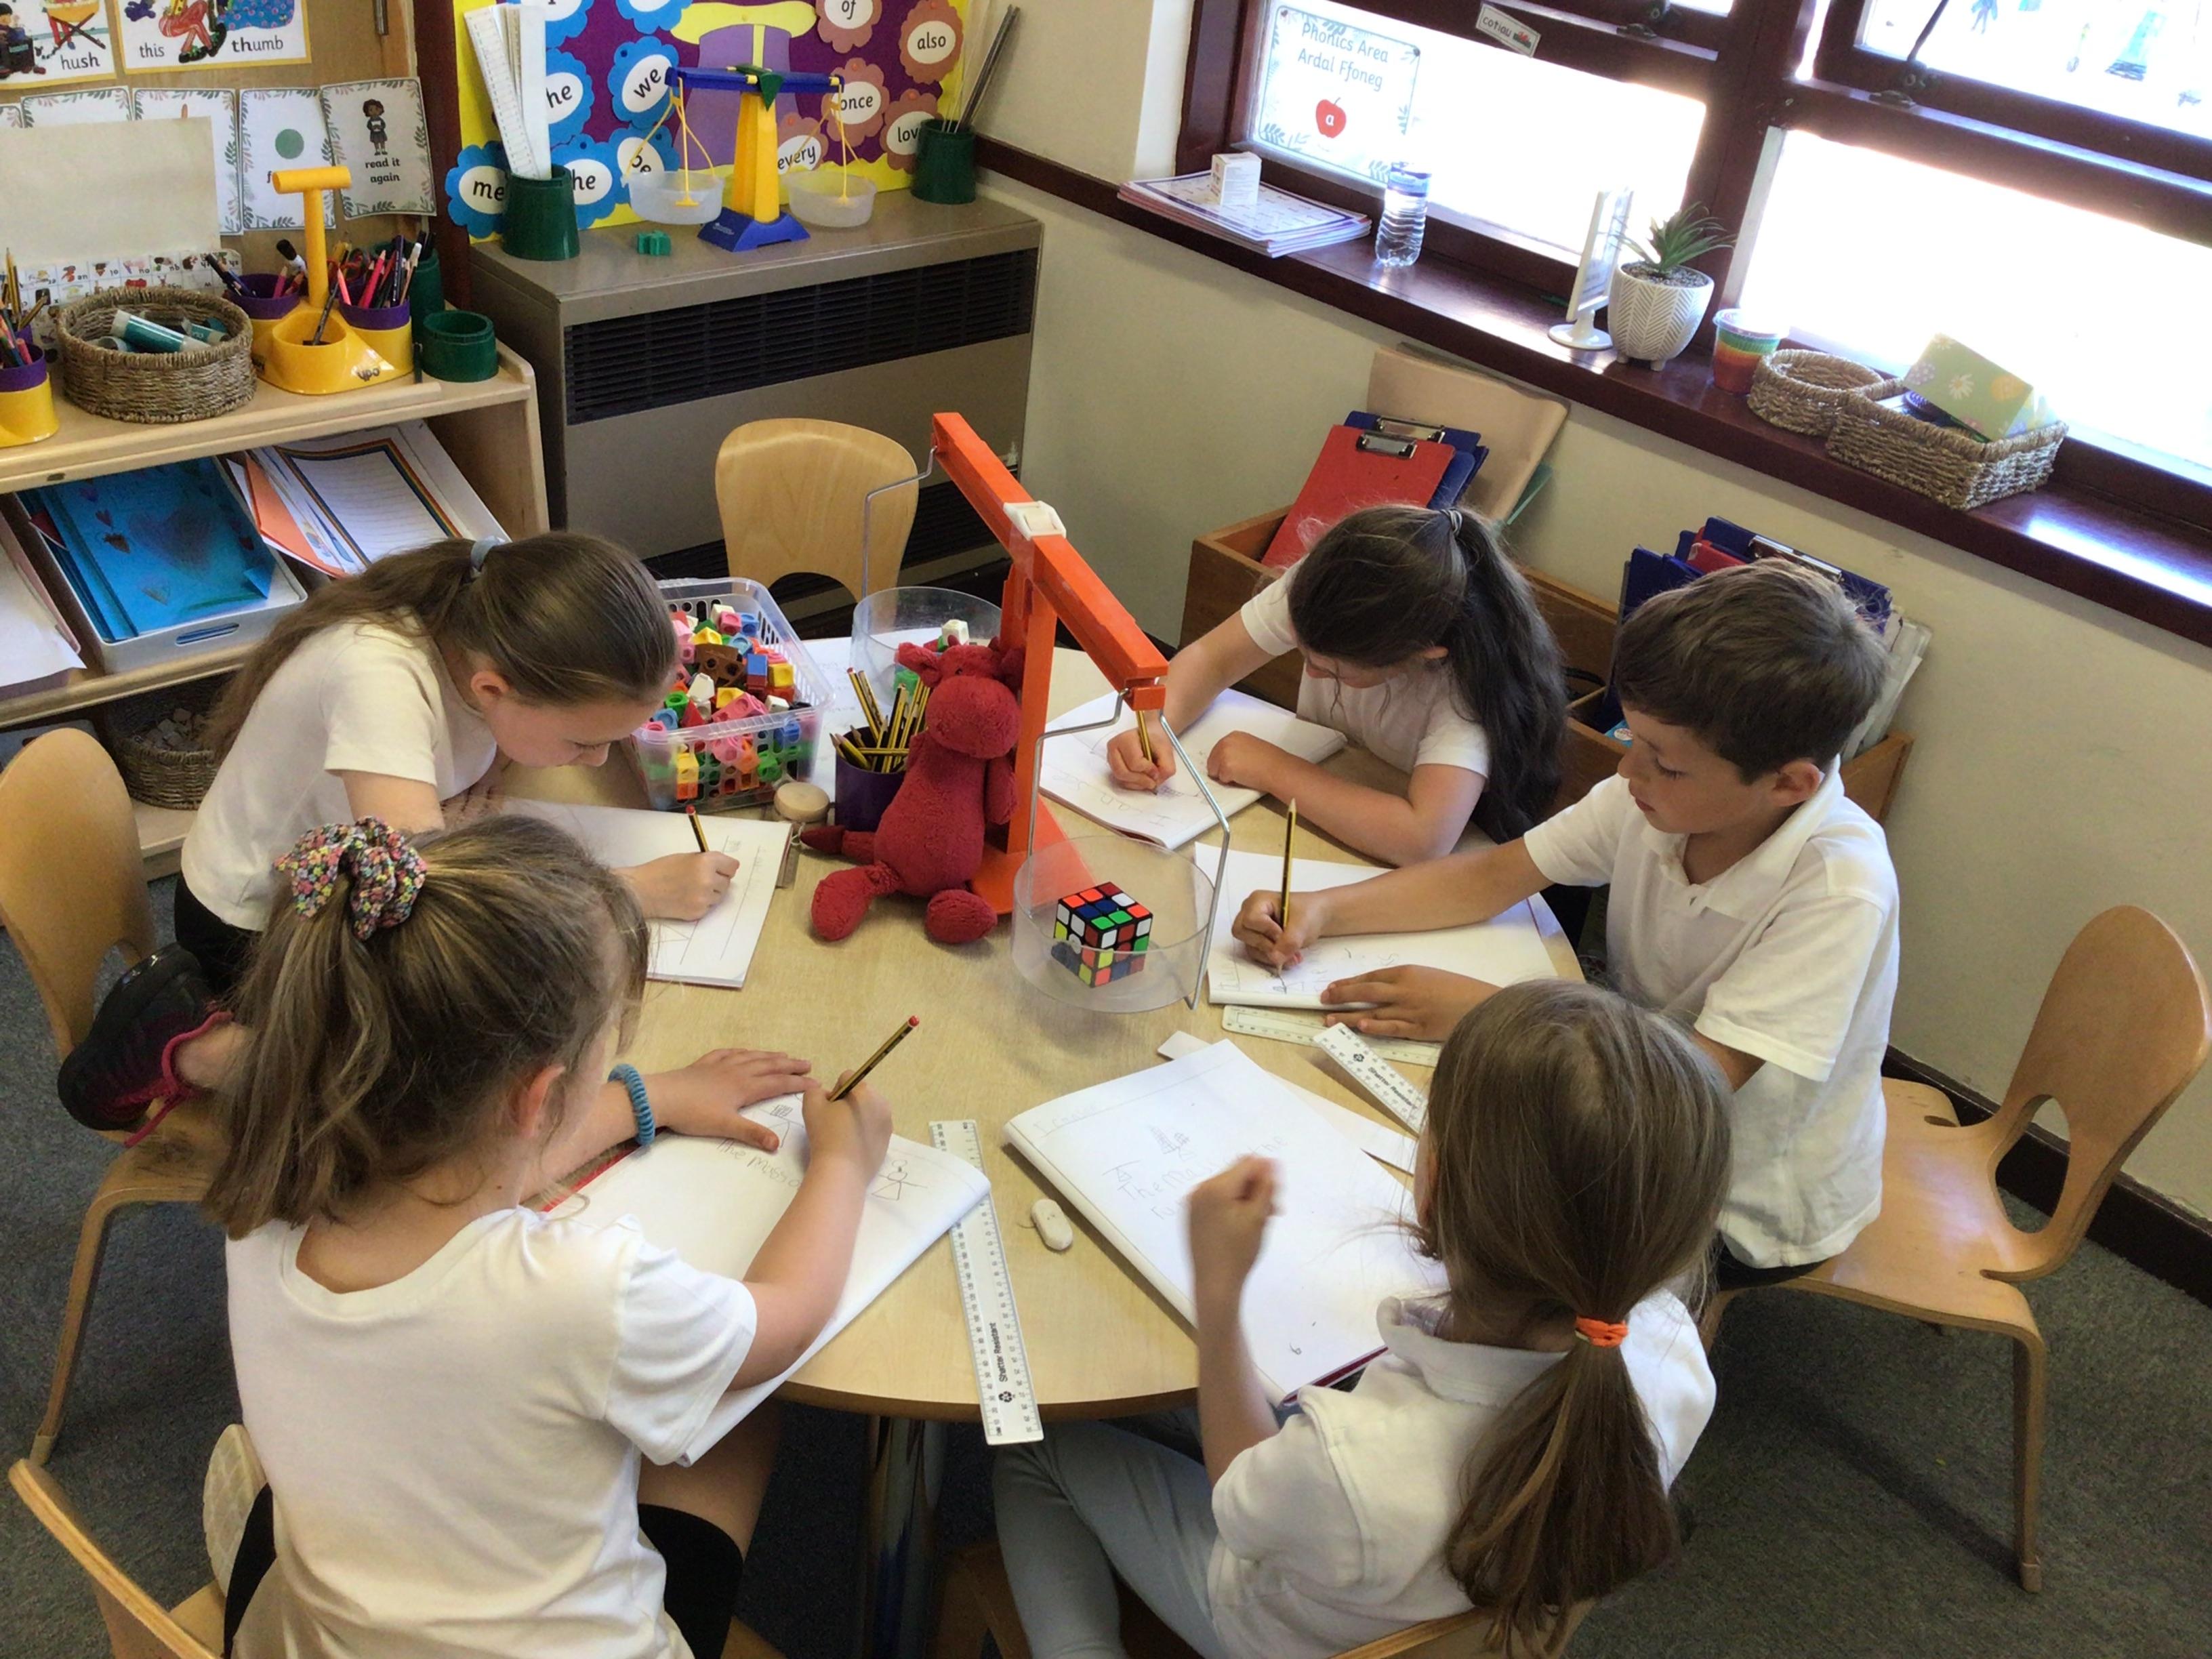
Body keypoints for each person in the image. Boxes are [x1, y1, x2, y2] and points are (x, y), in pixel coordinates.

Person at [206, 814, 891, 1659]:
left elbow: (462, 1168)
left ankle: (271, 1534)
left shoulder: (263, 1196)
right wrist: (844, 1166)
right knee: (740, 1417)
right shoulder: (580, 1294)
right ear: (537, 1098)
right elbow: (782, 1318)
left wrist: (648, 1097)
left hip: (327, 1633)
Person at [994, 981, 1729, 1659]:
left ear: (1432, 1191)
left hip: (1274, 1625)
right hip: (1419, 1585)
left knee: (1032, 1447)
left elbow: (1237, 1491)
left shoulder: (1349, 1463)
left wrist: (1219, 1295)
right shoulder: (1676, 1357)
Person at [1234, 559, 1896, 1288]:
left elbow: (1698, 1083)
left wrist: (1494, 1013)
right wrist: (1325, 909)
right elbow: (1492, 877)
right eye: (1634, 740)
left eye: (1666, 763)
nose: (1630, 772)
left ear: (1789, 784)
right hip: (1620, 1079)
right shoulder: (1655, 797)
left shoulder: (1838, 889)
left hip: (1735, 1189)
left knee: (1466, 1243)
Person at [58, 533, 733, 1128]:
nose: (598, 762)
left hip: (345, 876)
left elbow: (437, 829)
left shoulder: (485, 624)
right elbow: (433, 904)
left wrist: (449, 808)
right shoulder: (376, 675)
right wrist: (626, 890)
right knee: (437, 1095)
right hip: (256, 926)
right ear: (493, 689)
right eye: (584, 742)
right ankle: (190, 1045)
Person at [1105, 505, 1565, 865]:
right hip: (1325, 796)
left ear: (1423, 654)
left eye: (1335, 671)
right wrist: (1155, 722)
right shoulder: (1327, 587)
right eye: (1304, 654)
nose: (1313, 674)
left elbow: (1423, 839)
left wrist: (1273, 768)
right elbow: (1214, 658)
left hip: (1393, 849)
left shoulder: (1467, 687)